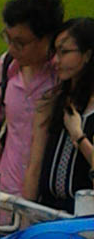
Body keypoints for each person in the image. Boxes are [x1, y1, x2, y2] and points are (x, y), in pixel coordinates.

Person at [0, 0, 64, 195]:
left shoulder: (61, 75)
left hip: (45, 189)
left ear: (47, 39)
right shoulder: (8, 65)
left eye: (21, 43)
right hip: (6, 183)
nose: (13, 49)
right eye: (8, 39)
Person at [24, 18, 94, 213]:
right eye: (55, 52)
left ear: (87, 55)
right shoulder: (53, 101)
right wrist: (26, 214)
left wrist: (78, 137)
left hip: (83, 216)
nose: (56, 60)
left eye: (65, 52)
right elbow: (35, 164)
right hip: (47, 209)